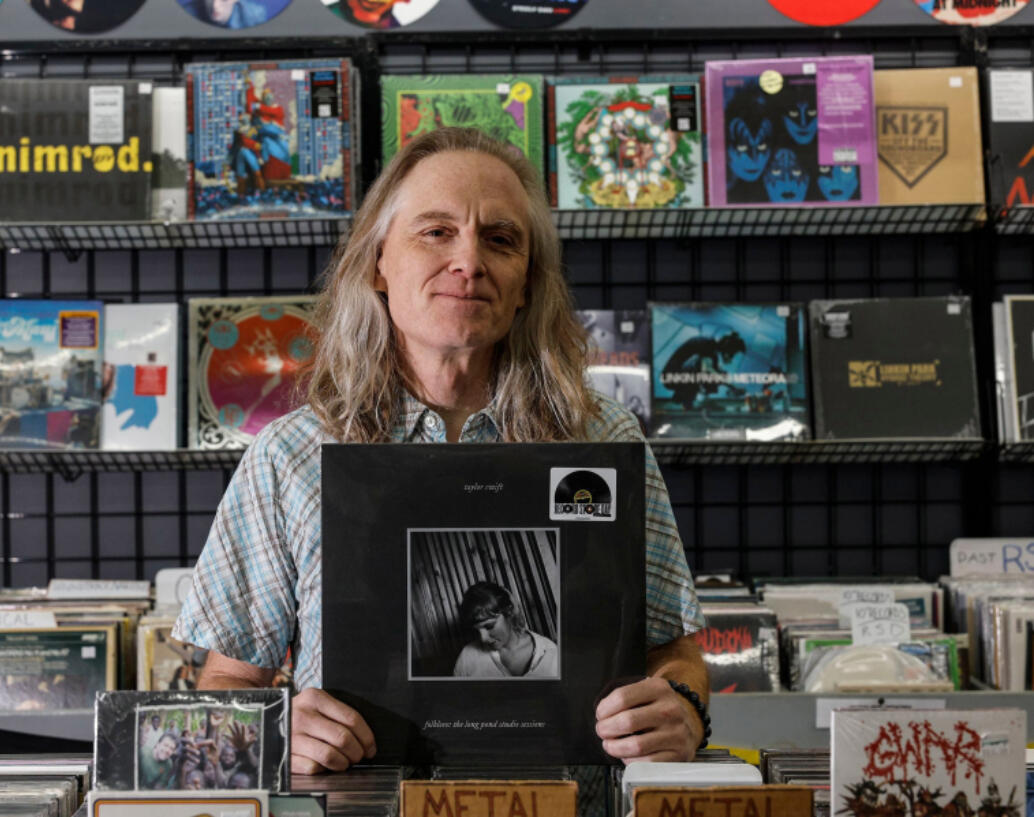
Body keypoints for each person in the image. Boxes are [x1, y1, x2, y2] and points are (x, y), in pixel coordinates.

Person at [174, 126, 709, 772]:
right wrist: (279, 727)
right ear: (378, 262)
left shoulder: (605, 441)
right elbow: (228, 683)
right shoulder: (291, 456)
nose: (469, 261)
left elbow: (674, 655)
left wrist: (681, 707)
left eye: (501, 239)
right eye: (436, 232)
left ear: (525, 284)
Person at [452, 581, 558, 679]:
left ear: (509, 612)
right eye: (476, 630)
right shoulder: (467, 658)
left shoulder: (551, 654)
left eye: (489, 626)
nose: (483, 638)